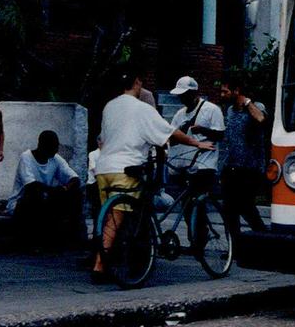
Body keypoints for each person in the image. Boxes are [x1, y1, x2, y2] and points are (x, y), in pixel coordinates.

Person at [91, 72, 214, 281]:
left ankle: (123, 260)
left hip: (104, 168)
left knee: (110, 218)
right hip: (126, 167)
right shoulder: (142, 108)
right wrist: (196, 143)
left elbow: (105, 137)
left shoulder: (109, 106)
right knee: (118, 220)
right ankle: (99, 266)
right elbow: (169, 132)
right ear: (136, 82)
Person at [218, 73, 270, 245]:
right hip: (231, 166)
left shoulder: (256, 107)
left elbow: (261, 119)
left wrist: (247, 102)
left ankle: (263, 239)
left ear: (236, 90)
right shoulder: (230, 111)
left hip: (251, 168)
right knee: (229, 209)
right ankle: (235, 246)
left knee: (246, 207)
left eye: (225, 92)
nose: (222, 95)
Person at [8, 130, 82, 248]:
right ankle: (32, 240)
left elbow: (75, 179)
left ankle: (71, 236)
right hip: (21, 203)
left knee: (76, 193)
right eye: (53, 147)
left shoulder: (55, 159)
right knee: (35, 195)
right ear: (42, 146)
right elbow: (31, 186)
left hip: (46, 198)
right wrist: (55, 191)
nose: (56, 150)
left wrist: (65, 189)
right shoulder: (26, 157)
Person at [167, 75, 224, 195]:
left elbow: (220, 135)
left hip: (205, 163)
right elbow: (171, 135)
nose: (182, 98)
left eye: (185, 95)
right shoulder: (179, 114)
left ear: (194, 93)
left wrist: (202, 130)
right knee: (186, 203)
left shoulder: (212, 109)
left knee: (197, 201)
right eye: (180, 96)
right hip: (185, 162)